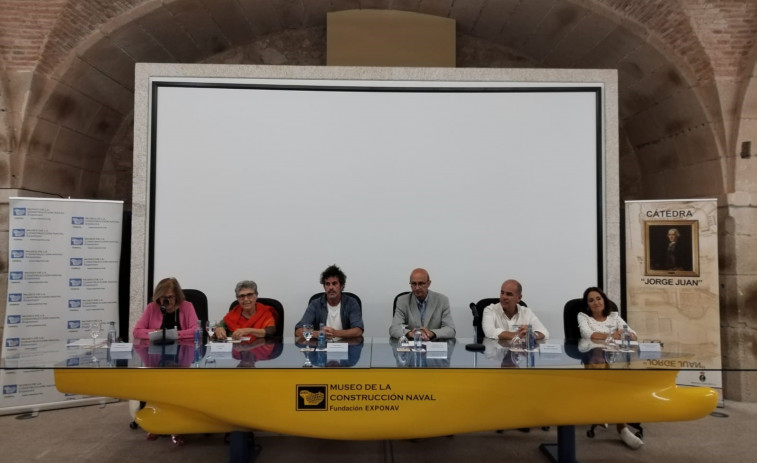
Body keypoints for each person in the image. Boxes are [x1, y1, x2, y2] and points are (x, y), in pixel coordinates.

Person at [577, 286, 643, 450]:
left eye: (598, 298)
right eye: (591, 300)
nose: (595, 302)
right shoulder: (583, 317)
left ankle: (612, 418)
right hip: (593, 359)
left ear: (604, 300)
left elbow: (633, 335)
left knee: (620, 382)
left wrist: (625, 333)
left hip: (615, 361)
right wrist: (613, 335)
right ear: (587, 304)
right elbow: (588, 335)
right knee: (611, 382)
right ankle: (622, 428)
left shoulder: (614, 316)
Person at [294, 264, 364, 339]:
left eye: (334, 283)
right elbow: (298, 331)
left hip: (345, 347)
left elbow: (358, 330)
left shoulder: (351, 303)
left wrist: (335, 333)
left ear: (342, 285)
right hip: (322, 346)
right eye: (327, 284)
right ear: (324, 286)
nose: (331, 287)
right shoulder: (315, 304)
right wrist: (317, 334)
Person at [389, 268, 456, 340]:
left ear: (428, 283)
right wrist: (410, 333)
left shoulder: (442, 300)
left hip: (434, 346)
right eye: (414, 284)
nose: (417, 288)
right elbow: (394, 329)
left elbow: (450, 330)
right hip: (411, 347)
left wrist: (432, 333)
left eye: (421, 283)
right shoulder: (402, 301)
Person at [133, 277, 199, 341]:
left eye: (170, 297)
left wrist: (174, 334)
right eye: (163, 297)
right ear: (158, 297)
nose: (167, 301)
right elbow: (136, 331)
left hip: (182, 349)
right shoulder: (151, 307)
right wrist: (156, 332)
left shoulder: (187, 306)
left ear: (177, 295)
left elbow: (196, 330)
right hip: (156, 350)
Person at [481, 279, 549, 341]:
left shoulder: (526, 312)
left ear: (519, 298)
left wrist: (532, 335)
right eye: (502, 293)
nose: (504, 297)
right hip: (497, 353)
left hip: (520, 353)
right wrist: (518, 335)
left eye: (509, 294)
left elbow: (544, 332)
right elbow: (490, 332)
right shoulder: (490, 310)